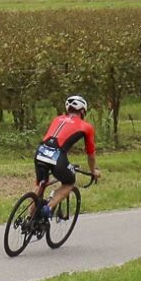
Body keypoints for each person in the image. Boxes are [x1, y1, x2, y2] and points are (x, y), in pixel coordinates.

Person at [29, 95, 99, 227]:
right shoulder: (86, 126)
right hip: (57, 156)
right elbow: (91, 154)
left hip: (40, 152)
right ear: (83, 111)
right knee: (69, 182)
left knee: (40, 184)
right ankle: (48, 208)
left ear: (67, 109)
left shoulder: (57, 119)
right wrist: (93, 171)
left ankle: (29, 219)